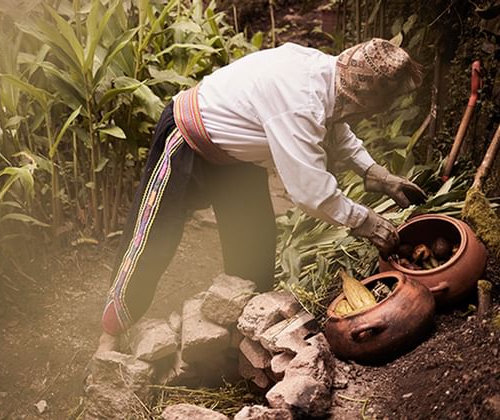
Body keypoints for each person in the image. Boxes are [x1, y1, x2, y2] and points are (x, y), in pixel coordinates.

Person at [95, 38, 427, 354]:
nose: (366, 118)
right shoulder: (298, 100)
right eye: (366, 112)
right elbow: (311, 193)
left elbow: (334, 123)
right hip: (187, 136)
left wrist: (374, 173)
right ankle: (111, 332)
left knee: (253, 246)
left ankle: (241, 339)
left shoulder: (330, 76)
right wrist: (366, 222)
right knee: (154, 237)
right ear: (353, 97)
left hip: (234, 157)